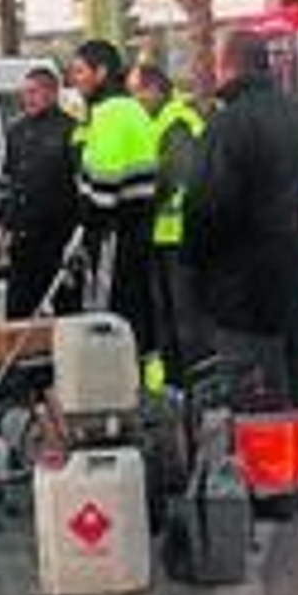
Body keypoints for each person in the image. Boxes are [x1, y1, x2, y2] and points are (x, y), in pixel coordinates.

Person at [183, 31, 298, 406]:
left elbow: (205, 209)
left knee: (256, 403)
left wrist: (194, 272)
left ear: (228, 67)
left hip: (242, 294)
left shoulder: (226, 127)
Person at [68, 39, 157, 358]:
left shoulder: (108, 113)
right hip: (139, 226)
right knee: (140, 314)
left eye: (80, 71)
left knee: (112, 318)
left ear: (101, 72)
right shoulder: (132, 109)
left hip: (114, 232)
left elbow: (104, 187)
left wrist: (86, 226)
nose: (74, 79)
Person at [128, 61, 207, 388]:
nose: (135, 101)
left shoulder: (176, 121)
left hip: (180, 236)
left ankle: (194, 389)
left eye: (138, 93)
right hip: (165, 235)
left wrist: (141, 197)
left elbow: (175, 175)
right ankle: (178, 386)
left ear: (156, 89)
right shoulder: (161, 121)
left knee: (185, 320)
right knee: (170, 320)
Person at [0, 65, 80, 319]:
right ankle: (21, 356)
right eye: (25, 93)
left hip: (59, 233)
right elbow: (7, 180)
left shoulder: (70, 130)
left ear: (52, 94)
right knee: (20, 306)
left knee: (65, 305)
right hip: (23, 235)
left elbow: (79, 181)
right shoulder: (16, 131)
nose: (27, 98)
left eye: (34, 92)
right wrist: (2, 223)